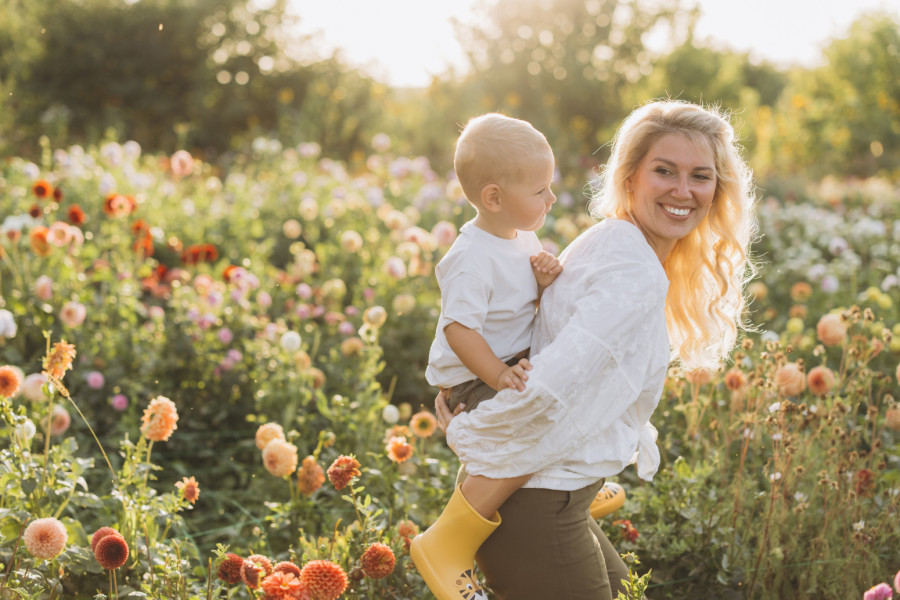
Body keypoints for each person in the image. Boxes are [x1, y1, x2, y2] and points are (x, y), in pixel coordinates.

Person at [428, 99, 757, 599]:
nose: (683, 191)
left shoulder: (614, 241)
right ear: (629, 178)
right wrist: (475, 429)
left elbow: (547, 337)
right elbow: (551, 390)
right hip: (534, 505)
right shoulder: (634, 273)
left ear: (719, 188)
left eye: (701, 176)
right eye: (664, 171)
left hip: (556, 498)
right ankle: (448, 538)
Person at [412, 113, 627, 600]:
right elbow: (460, 330)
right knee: (536, 411)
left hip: (511, 356)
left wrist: (545, 279)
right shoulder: (470, 258)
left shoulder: (517, 234)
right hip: (477, 374)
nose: (551, 199)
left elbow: (517, 300)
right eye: (540, 190)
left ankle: (575, 483)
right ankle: (451, 538)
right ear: (493, 197)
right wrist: (499, 373)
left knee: (570, 388)